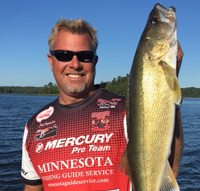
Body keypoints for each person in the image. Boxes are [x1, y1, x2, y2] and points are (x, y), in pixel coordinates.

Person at [20, 18, 184, 191]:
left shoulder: (126, 111)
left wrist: (166, 90)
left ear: (95, 61)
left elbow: (170, 169)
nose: (75, 64)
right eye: (64, 55)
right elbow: (32, 188)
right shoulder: (34, 126)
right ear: (50, 61)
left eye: (85, 56)